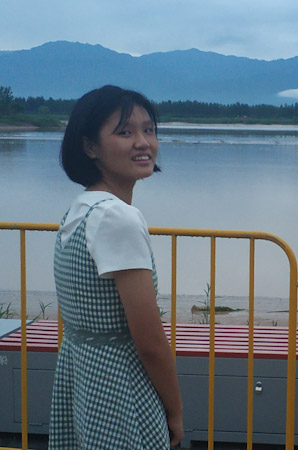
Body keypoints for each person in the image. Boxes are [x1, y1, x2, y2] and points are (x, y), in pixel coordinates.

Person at [50, 85, 183, 449]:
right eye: (125, 132)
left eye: (149, 129)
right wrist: (174, 410)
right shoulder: (117, 218)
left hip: (82, 379)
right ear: (90, 146)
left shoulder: (81, 208)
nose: (143, 142)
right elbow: (150, 341)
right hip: (119, 387)